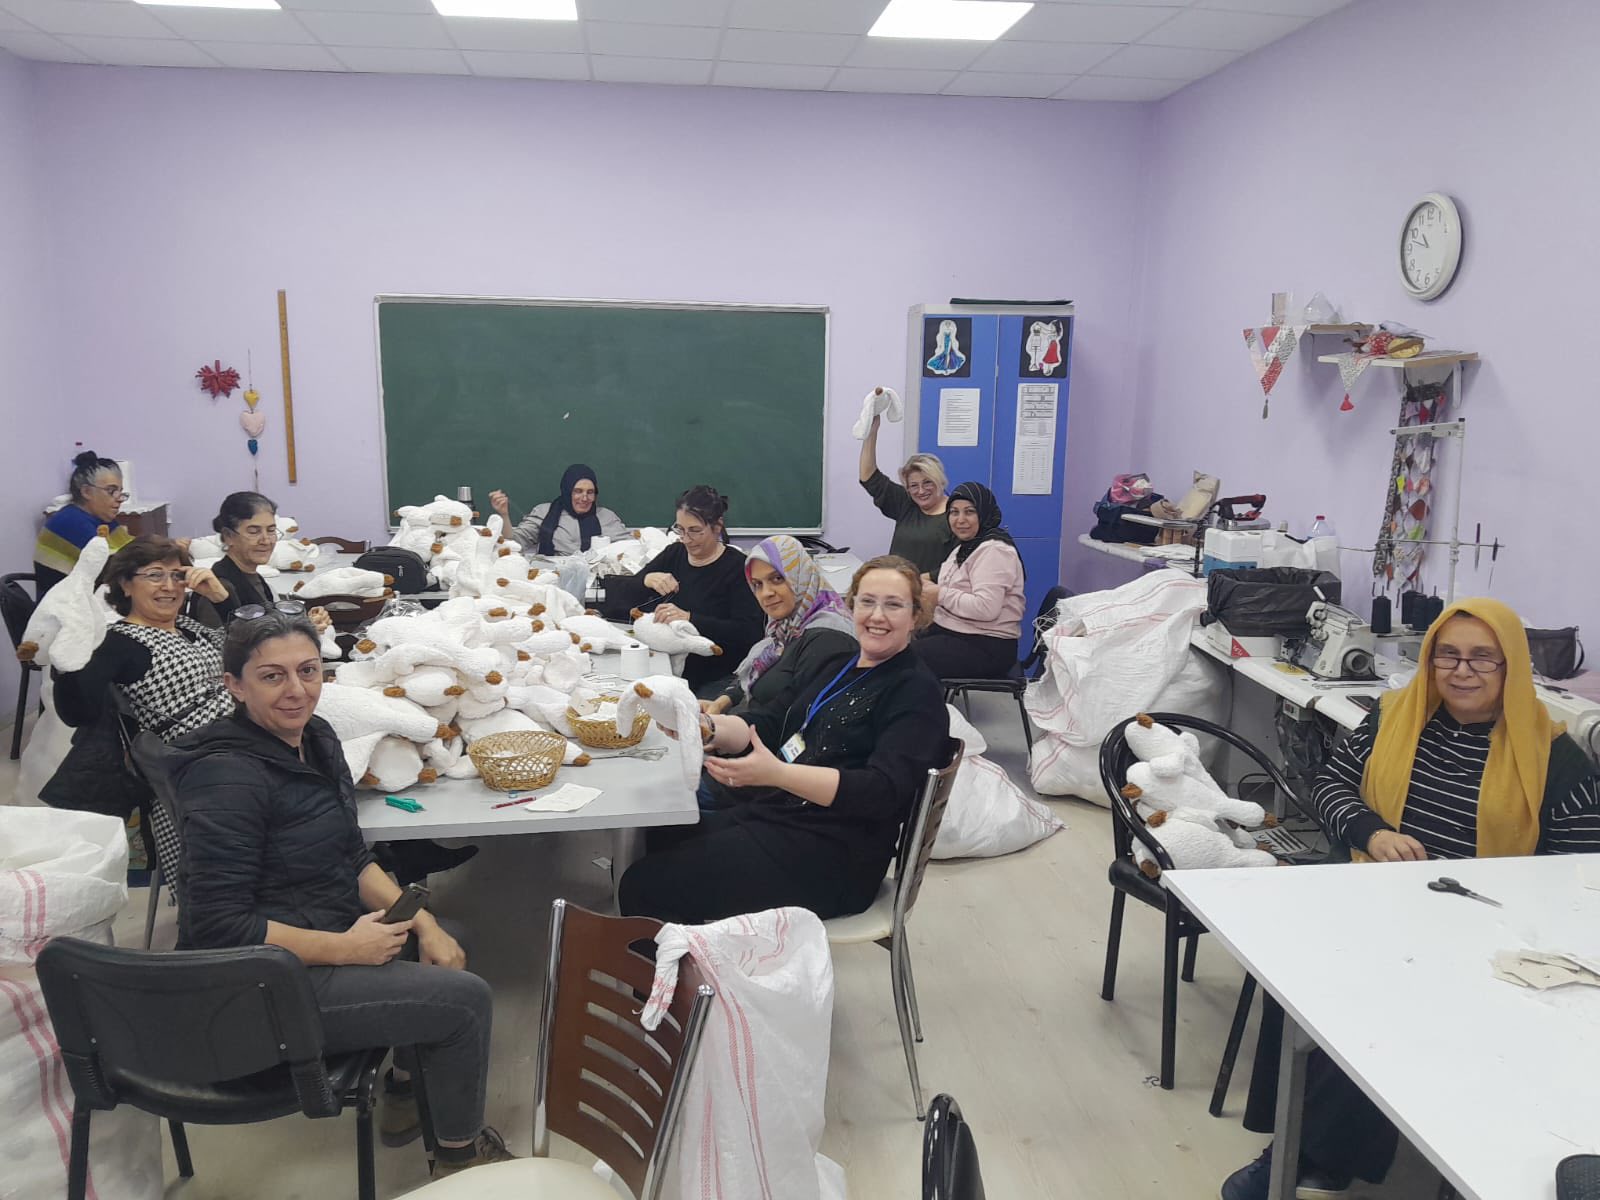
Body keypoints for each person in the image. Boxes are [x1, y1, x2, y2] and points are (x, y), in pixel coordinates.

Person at [1221, 598, 1600, 1200]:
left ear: (1511, 666)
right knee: (1296, 975)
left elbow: (1576, 873)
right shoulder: (1391, 717)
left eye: (1483, 658)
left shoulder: (1557, 759)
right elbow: (1330, 785)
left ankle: (1309, 1155)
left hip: (1483, 927)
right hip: (1373, 893)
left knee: (1373, 1003)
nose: (1462, 671)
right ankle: (1308, 1146)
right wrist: (1372, 833)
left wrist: (1496, 900)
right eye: (1448, 655)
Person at [170, 609, 514, 1177]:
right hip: (257, 983)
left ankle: (403, 1091)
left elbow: (351, 856)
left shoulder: (316, 738)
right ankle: (459, 1162)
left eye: (308, 671)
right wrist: (345, 948)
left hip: (313, 932)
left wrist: (424, 923)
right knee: (465, 1001)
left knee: (446, 941)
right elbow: (216, 925)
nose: (296, 690)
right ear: (235, 685)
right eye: (273, 676)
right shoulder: (226, 777)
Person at [618, 555, 949, 924]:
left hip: (837, 854)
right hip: (787, 814)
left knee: (643, 885)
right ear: (852, 605)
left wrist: (778, 774)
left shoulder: (915, 692)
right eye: (867, 601)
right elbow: (772, 721)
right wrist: (706, 726)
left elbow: (882, 792)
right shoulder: (841, 663)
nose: (877, 616)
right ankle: (705, 952)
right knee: (664, 832)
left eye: (893, 605)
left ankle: (695, 958)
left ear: (915, 615)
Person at [600, 485, 764, 697]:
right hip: (664, 664)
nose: (686, 539)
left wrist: (690, 618)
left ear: (717, 526)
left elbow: (748, 633)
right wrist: (645, 580)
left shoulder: (737, 568)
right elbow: (618, 597)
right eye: (680, 529)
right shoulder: (675, 553)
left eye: (695, 531)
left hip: (714, 676)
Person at [703, 534, 857, 717]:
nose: (766, 593)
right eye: (757, 584)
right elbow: (758, 669)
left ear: (801, 576)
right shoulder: (785, 627)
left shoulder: (829, 639)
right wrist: (721, 703)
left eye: (777, 579)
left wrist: (721, 727)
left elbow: (791, 717)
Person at [915, 482, 1027, 680]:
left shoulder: (994, 550)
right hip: (960, 632)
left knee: (902, 656)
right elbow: (945, 579)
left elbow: (986, 608)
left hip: (986, 645)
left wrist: (939, 594)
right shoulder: (966, 547)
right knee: (898, 640)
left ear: (983, 513)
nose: (960, 520)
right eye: (954, 512)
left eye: (969, 512)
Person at [206, 491, 332, 627]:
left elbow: (270, 627)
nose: (266, 540)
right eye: (254, 532)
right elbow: (226, 639)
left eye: (271, 531)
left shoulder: (254, 578)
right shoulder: (216, 588)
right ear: (228, 536)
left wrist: (306, 623)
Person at [858, 417, 955, 579]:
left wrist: (916, 581)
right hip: (896, 586)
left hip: (931, 590)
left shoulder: (957, 514)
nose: (921, 491)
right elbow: (868, 476)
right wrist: (872, 430)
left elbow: (960, 564)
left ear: (940, 481)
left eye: (928, 483)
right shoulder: (906, 504)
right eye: (914, 486)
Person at [33, 450, 134, 596]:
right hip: (66, 604)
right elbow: (114, 569)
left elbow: (131, 549)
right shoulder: (70, 521)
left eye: (120, 492)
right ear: (86, 492)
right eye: (111, 491)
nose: (119, 498)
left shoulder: (101, 518)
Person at [489, 463, 628, 556]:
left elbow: (629, 548)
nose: (585, 498)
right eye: (578, 491)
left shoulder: (606, 517)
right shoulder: (544, 512)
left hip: (597, 581)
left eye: (590, 492)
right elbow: (514, 543)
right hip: (552, 578)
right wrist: (504, 515)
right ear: (567, 491)